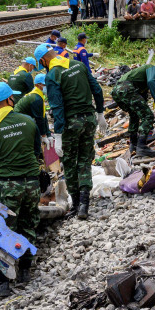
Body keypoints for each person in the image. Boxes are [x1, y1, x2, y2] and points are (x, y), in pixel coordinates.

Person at [0, 82, 42, 295]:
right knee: (29, 222)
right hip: (32, 182)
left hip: (6, 186)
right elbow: (36, 151)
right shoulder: (29, 121)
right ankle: (25, 270)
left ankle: (4, 280)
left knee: (4, 229)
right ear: (8, 100)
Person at [35, 43, 107, 220]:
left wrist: (58, 135)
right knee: (84, 159)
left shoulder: (52, 75)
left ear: (44, 60)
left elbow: (57, 107)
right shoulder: (78, 65)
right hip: (89, 120)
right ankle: (84, 204)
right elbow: (96, 89)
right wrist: (100, 113)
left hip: (70, 124)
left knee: (70, 162)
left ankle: (76, 205)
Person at [113, 64, 155, 157]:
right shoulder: (154, 69)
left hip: (117, 91)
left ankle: (133, 145)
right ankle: (142, 147)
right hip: (126, 88)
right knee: (149, 116)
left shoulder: (142, 82)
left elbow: (143, 102)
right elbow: (152, 81)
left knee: (134, 115)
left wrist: (149, 126)